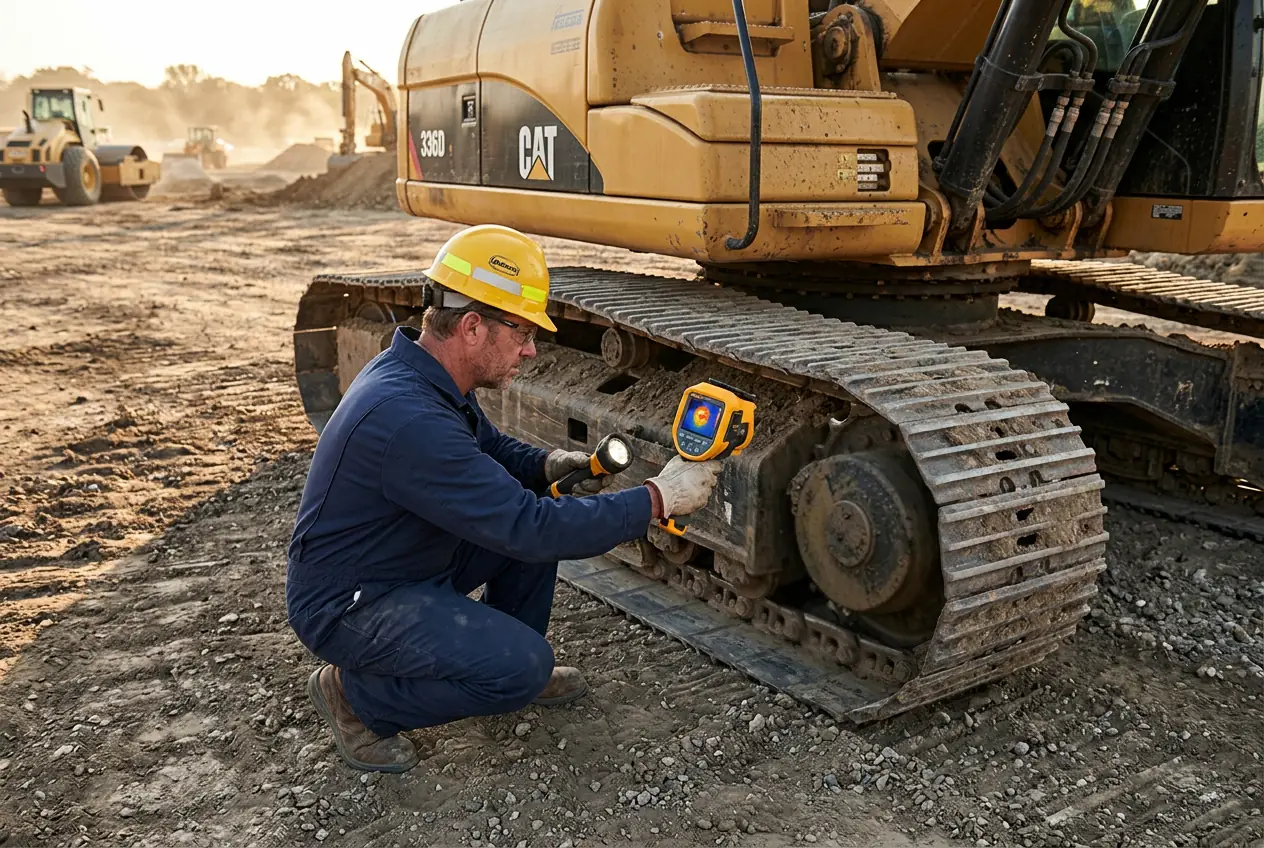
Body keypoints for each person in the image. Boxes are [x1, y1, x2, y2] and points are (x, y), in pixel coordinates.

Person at [285, 224, 723, 773]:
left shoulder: (421, 375)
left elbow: (486, 446)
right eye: (522, 333)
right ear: (472, 327)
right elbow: (531, 527)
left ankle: (496, 665)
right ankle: (354, 697)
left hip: (400, 559)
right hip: (351, 602)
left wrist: (544, 465)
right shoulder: (408, 418)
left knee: (527, 529)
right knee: (521, 656)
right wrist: (657, 498)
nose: (532, 349)